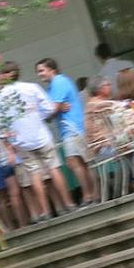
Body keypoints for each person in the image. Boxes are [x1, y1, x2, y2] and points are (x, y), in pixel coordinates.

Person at [0, 60, 66, 220]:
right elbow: (49, 108)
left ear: (7, 75)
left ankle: (45, 211)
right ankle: (67, 204)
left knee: (34, 175)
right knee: (54, 168)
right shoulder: (32, 87)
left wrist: (9, 148)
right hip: (41, 135)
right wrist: (36, 117)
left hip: (21, 141)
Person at [36, 56, 94, 205]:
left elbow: (51, 110)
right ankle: (92, 194)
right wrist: (53, 110)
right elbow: (50, 113)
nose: (40, 74)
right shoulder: (51, 87)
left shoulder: (59, 82)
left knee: (75, 162)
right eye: (38, 72)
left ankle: (88, 195)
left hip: (72, 127)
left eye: (42, 70)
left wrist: (53, 110)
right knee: (80, 162)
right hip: (69, 128)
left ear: (52, 70)